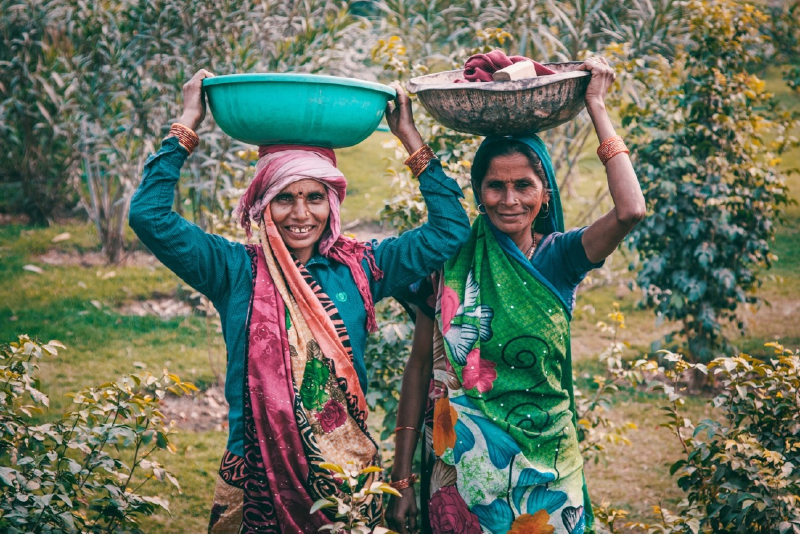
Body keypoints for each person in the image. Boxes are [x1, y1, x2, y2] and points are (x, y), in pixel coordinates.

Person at [128, 70, 471, 533]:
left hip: (345, 481)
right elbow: (148, 215)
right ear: (262, 204)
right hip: (255, 482)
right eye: (284, 198)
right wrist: (188, 122)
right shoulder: (232, 270)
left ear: (332, 203)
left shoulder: (362, 267)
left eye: (314, 197)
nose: (301, 214)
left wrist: (408, 136)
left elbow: (450, 229)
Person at [387, 55, 646, 534]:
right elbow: (420, 364)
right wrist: (401, 476)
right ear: (479, 192)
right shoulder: (453, 256)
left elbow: (630, 210)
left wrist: (597, 106)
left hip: (548, 467)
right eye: (495, 186)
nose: (510, 200)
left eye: (524, 186)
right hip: (463, 472)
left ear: (544, 193)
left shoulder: (561, 257)